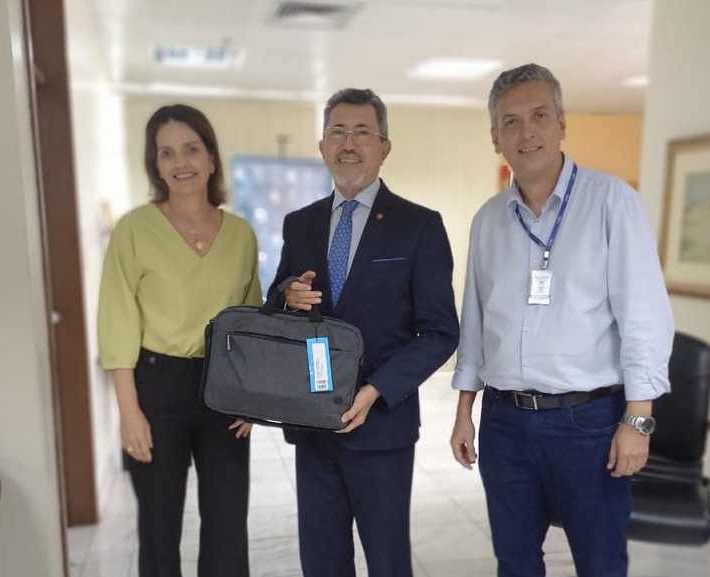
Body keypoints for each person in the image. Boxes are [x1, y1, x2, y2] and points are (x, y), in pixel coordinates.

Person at [450, 63, 674, 577]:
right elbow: (476, 323)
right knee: (515, 563)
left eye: (539, 115)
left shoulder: (612, 202)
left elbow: (644, 318)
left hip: (589, 425)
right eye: (510, 122)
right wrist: (465, 411)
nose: (526, 132)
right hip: (505, 422)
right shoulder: (488, 221)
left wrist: (638, 420)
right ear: (495, 137)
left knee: (600, 564)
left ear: (561, 124)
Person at [269, 88, 459, 577]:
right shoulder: (300, 224)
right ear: (322, 145)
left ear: (384, 146)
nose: (348, 143)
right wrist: (288, 294)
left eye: (362, 132)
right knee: (322, 561)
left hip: (382, 428)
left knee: (387, 560)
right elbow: (276, 302)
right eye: (337, 131)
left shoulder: (419, 226)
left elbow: (441, 332)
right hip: (313, 423)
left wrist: (376, 390)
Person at [97, 104, 262, 577]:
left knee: (228, 526)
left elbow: (250, 323)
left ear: (211, 158)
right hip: (156, 388)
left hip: (224, 390)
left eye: (191, 148)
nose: (180, 162)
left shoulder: (240, 235)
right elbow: (117, 322)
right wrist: (129, 412)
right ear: (155, 164)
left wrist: (250, 397)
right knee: (158, 529)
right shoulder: (134, 230)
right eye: (166, 152)